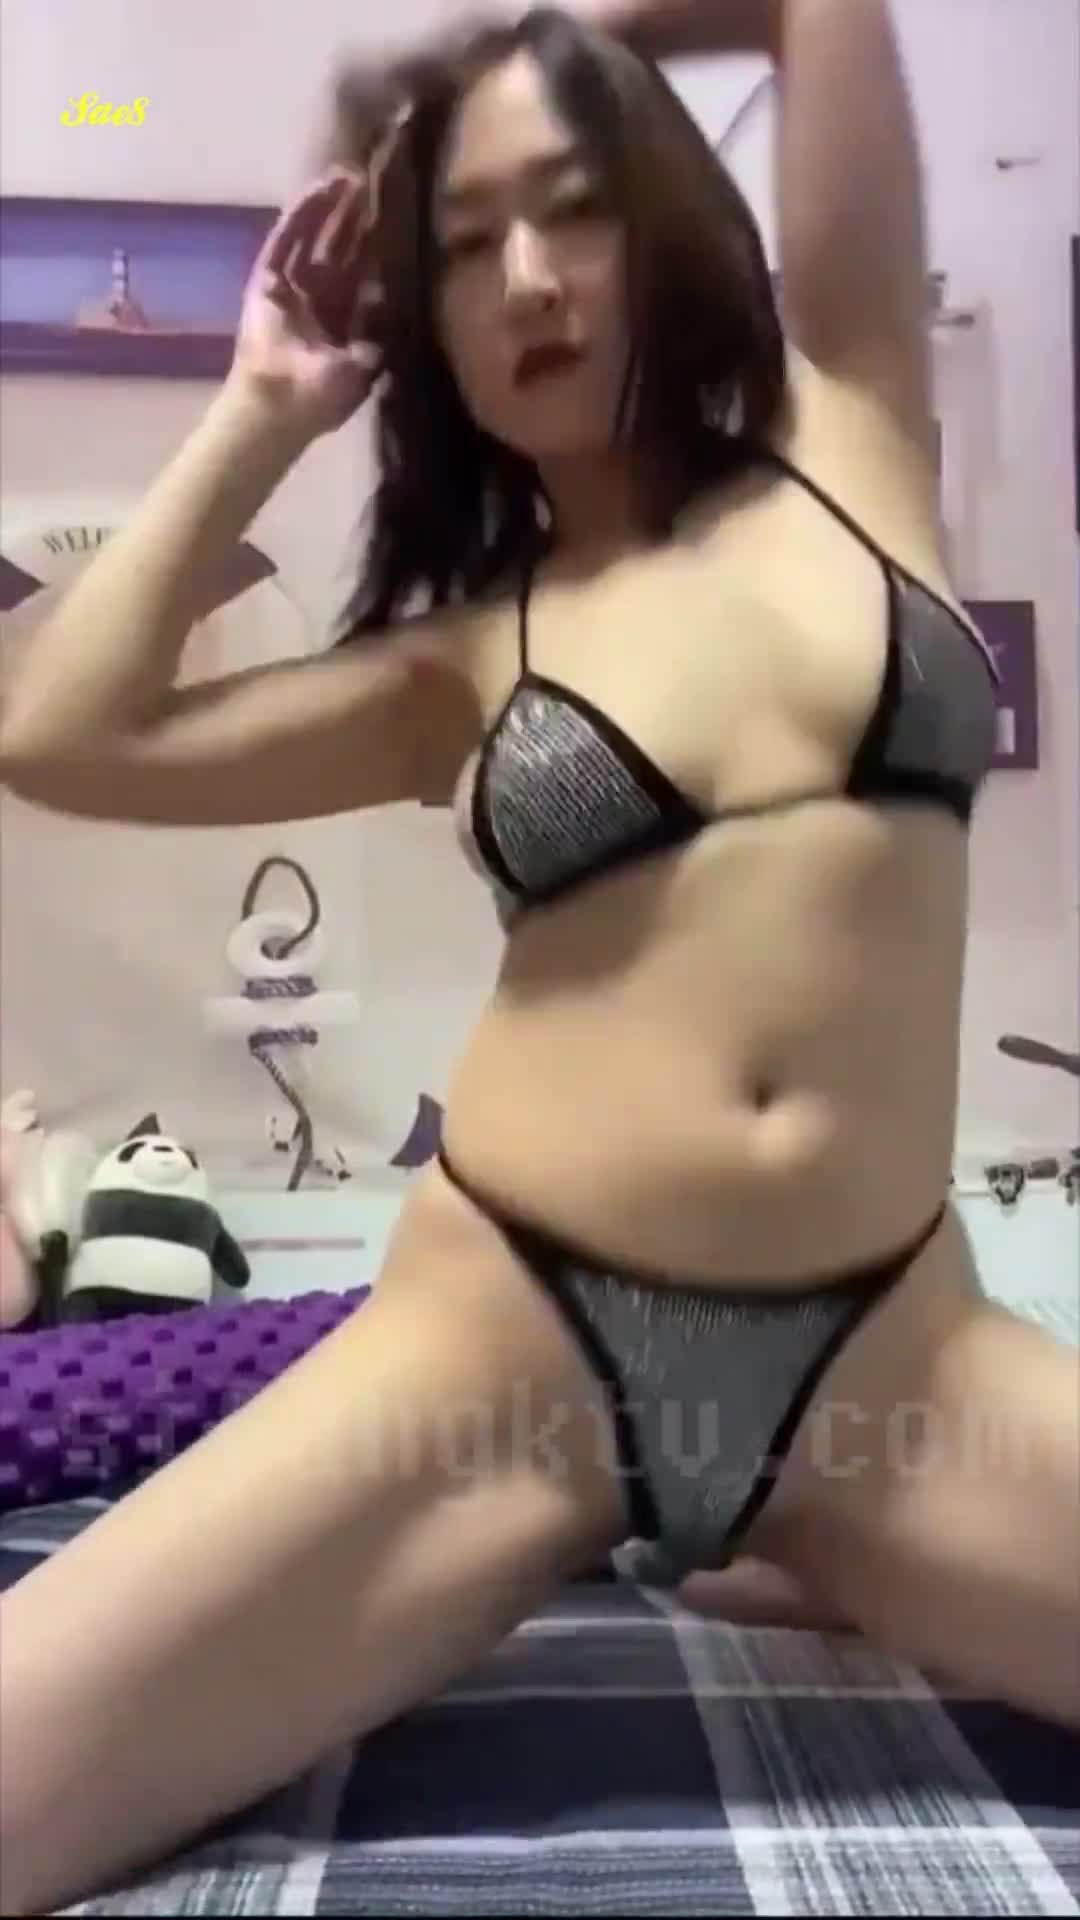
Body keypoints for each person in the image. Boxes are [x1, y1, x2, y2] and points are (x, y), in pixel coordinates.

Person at [1, 0, 1077, 1907]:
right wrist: (263, 409)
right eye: (466, 242)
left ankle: (801, 1542)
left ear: (661, 216)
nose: (526, 279)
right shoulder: (457, 660)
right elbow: (62, 736)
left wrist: (531, 46)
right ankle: (736, 1542)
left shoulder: (853, 424)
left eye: (572, 205)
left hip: (891, 1371)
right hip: (508, 1356)